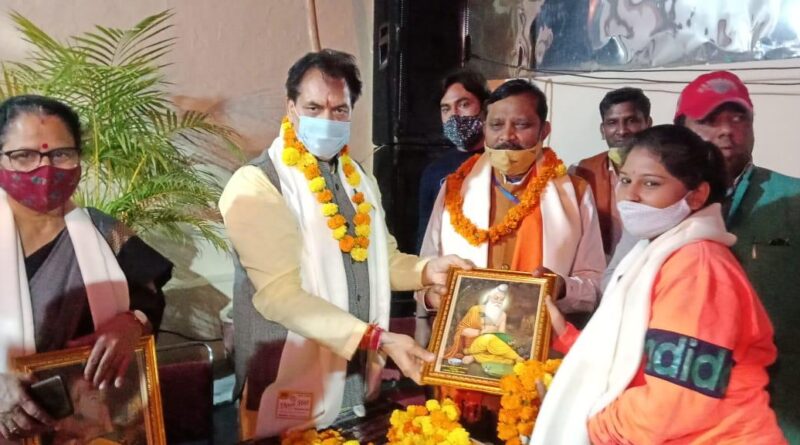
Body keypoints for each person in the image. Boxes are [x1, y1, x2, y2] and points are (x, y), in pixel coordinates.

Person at [218, 49, 472, 440]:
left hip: (355, 379)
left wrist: (426, 270)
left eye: (340, 110)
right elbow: (279, 296)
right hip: (288, 380)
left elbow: (380, 261)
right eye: (314, 107)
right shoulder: (256, 184)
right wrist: (379, 338)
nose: (327, 120)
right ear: (291, 108)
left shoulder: (358, 179)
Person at [533, 125, 786, 444]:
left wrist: (586, 424)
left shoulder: (698, 269)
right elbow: (640, 355)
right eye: (626, 180)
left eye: (651, 183)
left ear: (697, 195)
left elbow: (673, 404)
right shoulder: (654, 252)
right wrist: (567, 339)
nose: (630, 195)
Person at [0, 95, 171, 442]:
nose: (45, 168)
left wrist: (132, 324)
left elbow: (149, 300)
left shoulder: (105, 231)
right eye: (24, 155)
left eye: (61, 154)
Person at [673, 70, 800, 442]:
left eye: (738, 118)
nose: (727, 130)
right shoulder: (660, 203)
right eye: (710, 120)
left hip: (778, 409)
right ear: (682, 130)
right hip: (683, 403)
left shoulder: (792, 200)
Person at [419, 79, 605, 323]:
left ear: (544, 131)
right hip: (468, 335)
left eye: (522, 124)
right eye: (496, 125)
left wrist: (561, 288)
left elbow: (595, 284)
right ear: (484, 128)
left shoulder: (575, 193)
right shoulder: (454, 189)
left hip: (545, 336)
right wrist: (430, 296)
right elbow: (425, 270)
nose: (507, 135)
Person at [572, 87, 652, 261]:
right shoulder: (580, 173)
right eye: (612, 123)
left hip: (649, 264)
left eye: (631, 121)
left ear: (648, 124)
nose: (622, 131)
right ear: (603, 130)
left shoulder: (665, 172)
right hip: (596, 269)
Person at [417, 68, 490, 251]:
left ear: (484, 108)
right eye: (446, 108)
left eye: (464, 104)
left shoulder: (501, 161)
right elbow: (425, 236)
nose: (454, 115)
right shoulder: (434, 171)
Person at [443, 284, 522, 366]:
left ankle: (474, 356)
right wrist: (481, 332)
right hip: (474, 344)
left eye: (501, 300)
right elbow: (461, 330)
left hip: (492, 346)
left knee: (508, 359)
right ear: (489, 297)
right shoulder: (476, 310)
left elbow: (501, 335)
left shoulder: (502, 315)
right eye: (496, 298)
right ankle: (516, 357)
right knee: (489, 338)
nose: (498, 302)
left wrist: (507, 341)